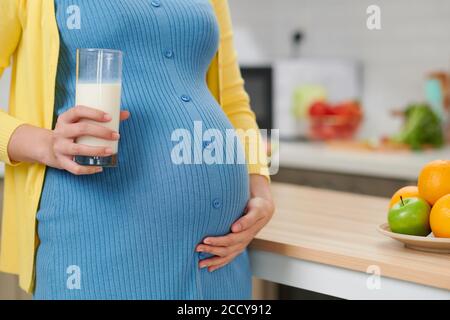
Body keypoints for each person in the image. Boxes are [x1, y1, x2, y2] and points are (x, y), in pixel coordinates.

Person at [0, 0, 274, 299]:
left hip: (220, 260)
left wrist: (259, 184)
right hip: (100, 244)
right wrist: (45, 144)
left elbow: (232, 100)